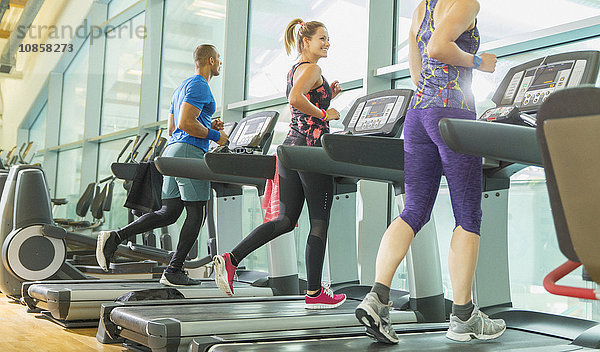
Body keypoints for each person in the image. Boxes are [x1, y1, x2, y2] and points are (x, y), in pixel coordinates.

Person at [355, 0, 506, 344]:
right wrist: (479, 62)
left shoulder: (424, 6)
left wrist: (430, 95)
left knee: (414, 209)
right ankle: (464, 316)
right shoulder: (467, 3)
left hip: (419, 112)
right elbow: (439, 46)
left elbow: (417, 60)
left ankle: (377, 298)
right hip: (453, 113)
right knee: (467, 214)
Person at [212, 18, 347, 309]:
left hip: (290, 150)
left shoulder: (296, 69)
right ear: (306, 41)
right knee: (319, 222)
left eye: (328, 38)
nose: (327, 43)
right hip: (311, 152)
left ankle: (231, 258)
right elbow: (295, 98)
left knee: (284, 221)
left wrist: (327, 95)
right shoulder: (313, 69)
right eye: (321, 38)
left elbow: (300, 102)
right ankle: (314, 293)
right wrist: (326, 114)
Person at [96, 44, 228, 286]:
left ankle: (115, 238)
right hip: (189, 152)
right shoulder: (200, 85)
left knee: (169, 212)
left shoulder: (181, 88)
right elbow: (187, 123)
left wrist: (209, 123)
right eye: (218, 59)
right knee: (197, 212)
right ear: (210, 60)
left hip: (173, 152)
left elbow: (172, 128)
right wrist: (215, 135)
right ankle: (174, 270)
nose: (221, 63)